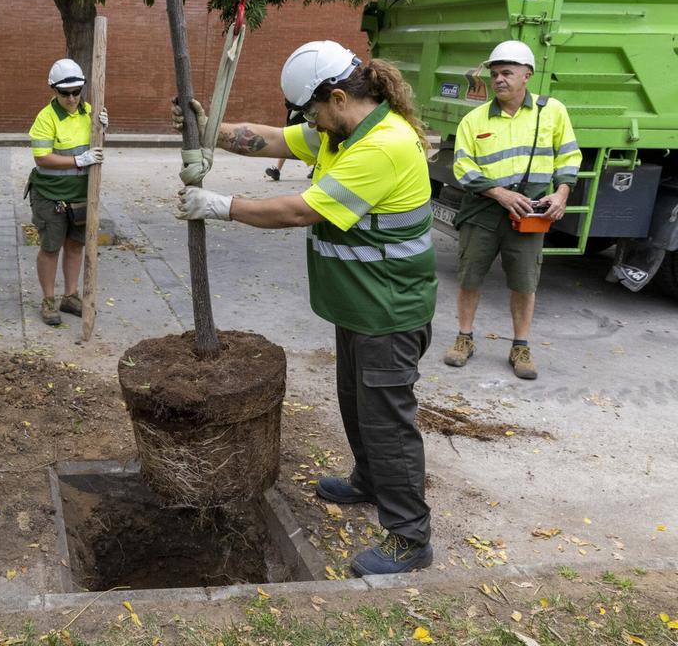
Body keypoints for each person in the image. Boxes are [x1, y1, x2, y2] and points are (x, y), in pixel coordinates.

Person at [173, 40, 437, 576]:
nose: (309, 126)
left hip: (389, 310)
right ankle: (368, 480)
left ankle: (410, 536)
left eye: (313, 113)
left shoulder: (383, 145)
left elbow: (299, 212)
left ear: (338, 98)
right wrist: (210, 126)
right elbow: (269, 140)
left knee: (387, 419)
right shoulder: (342, 132)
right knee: (356, 403)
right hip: (359, 305)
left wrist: (222, 206)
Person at [443, 40, 580, 380]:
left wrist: (561, 194)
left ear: (527, 76)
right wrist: (499, 193)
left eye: (507, 73)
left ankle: (520, 346)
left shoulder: (552, 111)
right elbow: (463, 167)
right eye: (495, 74)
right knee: (470, 276)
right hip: (484, 209)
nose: (499, 80)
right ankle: (465, 338)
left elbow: (568, 156)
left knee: (525, 282)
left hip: (531, 211)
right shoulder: (473, 119)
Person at [27, 58, 107, 324]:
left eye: (76, 92)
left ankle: (70, 296)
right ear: (54, 90)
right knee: (51, 247)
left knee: (75, 245)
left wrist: (103, 128)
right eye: (65, 93)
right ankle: (48, 300)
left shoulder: (90, 112)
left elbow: (96, 147)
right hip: (51, 196)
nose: (72, 98)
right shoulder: (45, 118)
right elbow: (42, 158)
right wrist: (79, 160)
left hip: (81, 195)